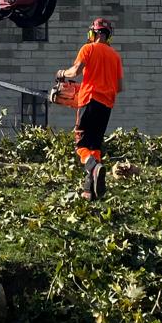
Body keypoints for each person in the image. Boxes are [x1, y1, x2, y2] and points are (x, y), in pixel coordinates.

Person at [56, 17, 123, 200]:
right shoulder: (115, 56)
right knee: (95, 146)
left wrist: (62, 74)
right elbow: (119, 87)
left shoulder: (88, 48)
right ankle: (90, 190)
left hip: (89, 99)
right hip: (106, 105)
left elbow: (75, 71)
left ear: (95, 33)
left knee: (81, 145)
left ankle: (93, 167)